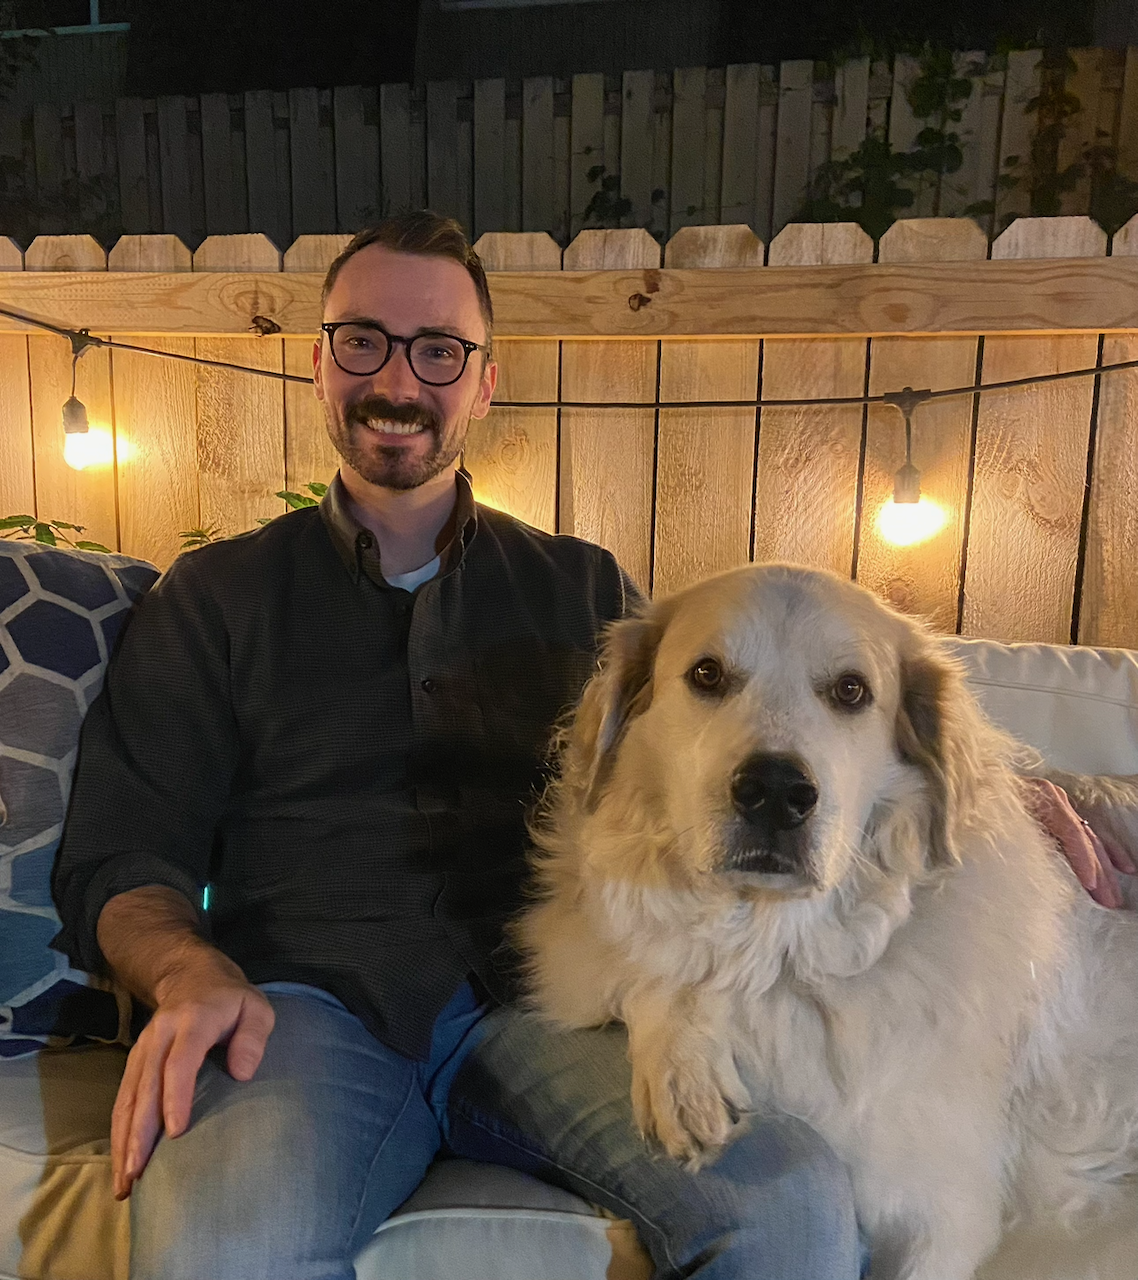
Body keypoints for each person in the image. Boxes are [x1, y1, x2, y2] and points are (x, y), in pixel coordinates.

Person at [51, 212, 1131, 1280]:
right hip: (304, 1011)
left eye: (439, 350)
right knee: (222, 1250)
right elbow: (121, 854)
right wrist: (189, 973)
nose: (399, 379)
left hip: (548, 1009)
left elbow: (738, 744)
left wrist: (1017, 799)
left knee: (794, 1209)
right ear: (321, 361)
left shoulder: (583, 587)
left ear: (484, 382)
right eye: (363, 340)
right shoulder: (215, 597)